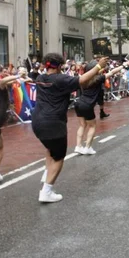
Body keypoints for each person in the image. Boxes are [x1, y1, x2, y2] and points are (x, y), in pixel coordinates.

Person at [32, 53, 108, 203]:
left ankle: (47, 173)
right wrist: (99, 66)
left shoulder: (40, 79)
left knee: (49, 149)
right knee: (59, 157)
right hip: (54, 123)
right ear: (59, 66)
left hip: (37, 122)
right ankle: (47, 191)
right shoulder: (61, 79)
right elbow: (82, 80)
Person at [74, 61, 126, 155]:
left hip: (78, 103)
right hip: (87, 104)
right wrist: (123, 65)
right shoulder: (98, 79)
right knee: (92, 126)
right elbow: (112, 72)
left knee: (82, 125)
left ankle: (78, 146)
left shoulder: (83, 78)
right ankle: (87, 147)